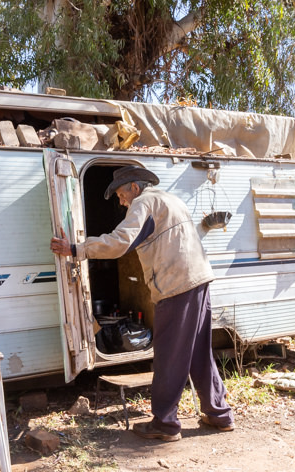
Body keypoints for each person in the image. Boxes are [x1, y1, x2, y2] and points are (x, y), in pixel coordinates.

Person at [50, 165, 235, 441]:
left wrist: (77, 249)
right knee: (198, 352)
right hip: (198, 280)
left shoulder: (144, 203)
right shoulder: (171, 199)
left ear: (135, 187)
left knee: (169, 355)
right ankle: (219, 414)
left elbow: (120, 242)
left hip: (175, 286)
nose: (122, 201)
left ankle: (165, 424)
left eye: (121, 194)